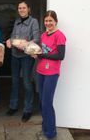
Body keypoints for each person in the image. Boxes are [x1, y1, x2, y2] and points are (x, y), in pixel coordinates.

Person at [6, 0, 40, 122]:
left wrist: (26, 44)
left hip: (26, 56)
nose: (21, 10)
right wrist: (9, 40)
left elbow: (37, 38)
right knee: (14, 81)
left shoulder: (33, 22)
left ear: (28, 9)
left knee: (26, 82)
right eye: (20, 8)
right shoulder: (17, 21)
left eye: (24, 8)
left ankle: (27, 109)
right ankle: (13, 106)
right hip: (15, 55)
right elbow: (13, 36)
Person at [35, 10, 66, 140]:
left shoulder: (60, 35)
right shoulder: (43, 35)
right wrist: (35, 53)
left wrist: (43, 55)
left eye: (50, 21)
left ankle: (51, 133)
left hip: (52, 73)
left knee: (47, 102)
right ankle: (45, 127)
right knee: (42, 102)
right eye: (46, 21)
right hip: (40, 71)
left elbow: (61, 55)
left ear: (55, 21)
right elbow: (41, 52)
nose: (48, 23)